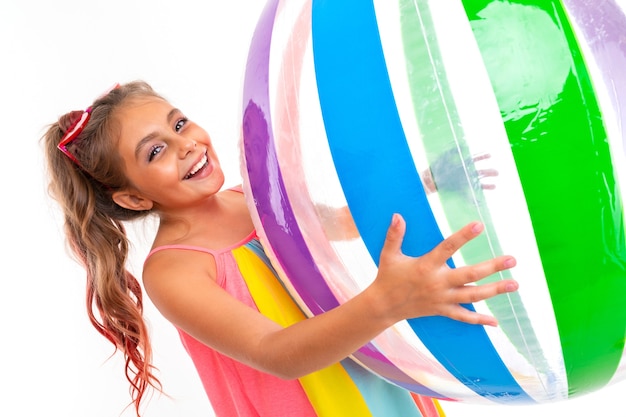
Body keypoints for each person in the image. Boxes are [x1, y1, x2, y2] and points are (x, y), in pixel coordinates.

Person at [42, 81, 519, 417]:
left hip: (374, 381)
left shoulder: (250, 197)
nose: (185, 144)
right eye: (155, 151)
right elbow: (277, 353)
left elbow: (339, 222)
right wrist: (388, 301)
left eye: (180, 124)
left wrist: (428, 183)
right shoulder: (173, 271)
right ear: (132, 198)